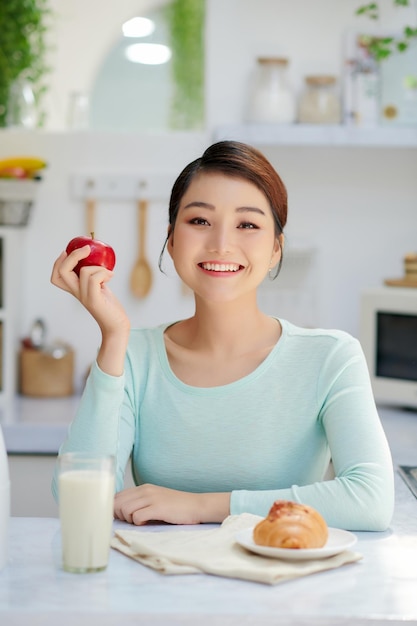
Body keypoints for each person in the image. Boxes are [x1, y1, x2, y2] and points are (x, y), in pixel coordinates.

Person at [51, 140, 394, 531]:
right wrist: (113, 337)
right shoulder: (132, 355)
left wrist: (202, 506)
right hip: (158, 585)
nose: (221, 244)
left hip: (285, 583)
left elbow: (371, 500)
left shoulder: (332, 357)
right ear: (171, 239)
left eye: (247, 224)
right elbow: (76, 501)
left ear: (276, 249)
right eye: (199, 221)